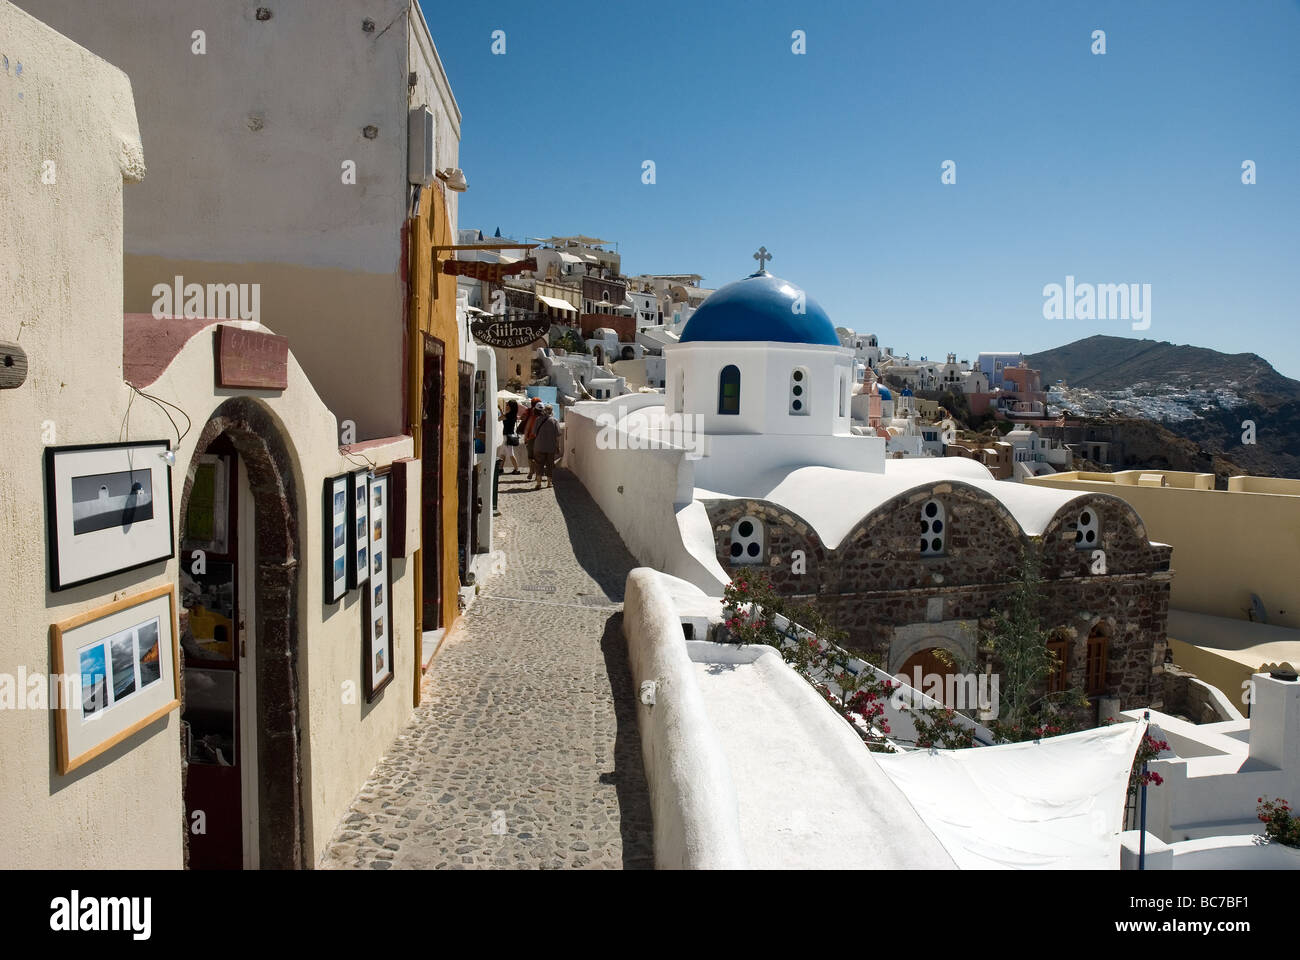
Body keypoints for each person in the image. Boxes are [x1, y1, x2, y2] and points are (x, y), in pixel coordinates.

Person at [533, 404, 561, 489]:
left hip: (539, 446)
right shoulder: (555, 421)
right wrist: (557, 446)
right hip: (550, 447)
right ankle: (549, 483)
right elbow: (558, 436)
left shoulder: (538, 419)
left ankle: (538, 483)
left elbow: (534, 432)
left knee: (539, 464)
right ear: (552, 411)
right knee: (550, 465)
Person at [499, 399, 523, 473]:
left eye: (507, 405)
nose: (506, 406)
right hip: (508, 435)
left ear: (510, 406)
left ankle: (516, 469)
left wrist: (500, 410)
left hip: (507, 436)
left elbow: (499, 419)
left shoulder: (509, 415)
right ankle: (500, 468)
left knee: (510, 454)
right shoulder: (512, 415)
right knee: (502, 453)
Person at [522, 396, 543, 480]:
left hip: (531, 438)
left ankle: (531, 471)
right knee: (539, 457)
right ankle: (538, 474)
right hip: (541, 439)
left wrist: (525, 437)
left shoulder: (530, 413)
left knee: (530, 456)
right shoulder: (545, 416)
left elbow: (527, 426)